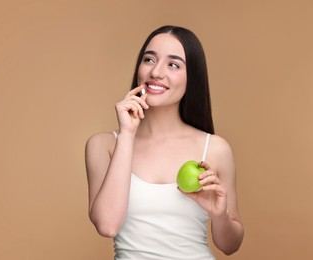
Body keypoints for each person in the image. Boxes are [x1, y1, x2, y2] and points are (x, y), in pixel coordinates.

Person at [85, 25, 244, 259]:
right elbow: (107, 226)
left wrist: (219, 215)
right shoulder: (103, 145)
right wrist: (127, 134)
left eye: (173, 64)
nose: (156, 72)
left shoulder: (215, 148)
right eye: (149, 59)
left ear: (192, 78)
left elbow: (230, 246)